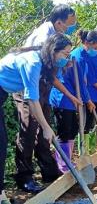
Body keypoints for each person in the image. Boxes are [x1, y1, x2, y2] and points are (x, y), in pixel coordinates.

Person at [13, 4, 79, 193]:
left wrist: (69, 94)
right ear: (59, 22)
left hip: (43, 85)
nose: (71, 28)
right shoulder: (44, 37)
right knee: (30, 128)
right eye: (69, 25)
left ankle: (49, 170)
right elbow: (39, 73)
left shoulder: (57, 38)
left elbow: (51, 76)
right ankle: (24, 177)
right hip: (27, 84)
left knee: (46, 128)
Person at [0, 33, 71, 203]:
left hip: (2, 94)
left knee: (1, 144)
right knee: (1, 144)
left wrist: (46, 126)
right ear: (54, 51)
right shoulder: (32, 62)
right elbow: (32, 100)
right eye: (65, 54)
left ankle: (0, 194)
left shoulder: (42, 59)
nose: (66, 59)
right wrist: (46, 127)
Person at [49, 31, 97, 173]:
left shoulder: (78, 57)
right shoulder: (74, 59)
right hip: (62, 99)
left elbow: (82, 82)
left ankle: (67, 160)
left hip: (72, 99)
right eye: (96, 47)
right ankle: (62, 164)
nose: (96, 51)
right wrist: (88, 100)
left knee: (72, 129)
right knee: (65, 130)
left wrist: (86, 100)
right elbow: (79, 82)